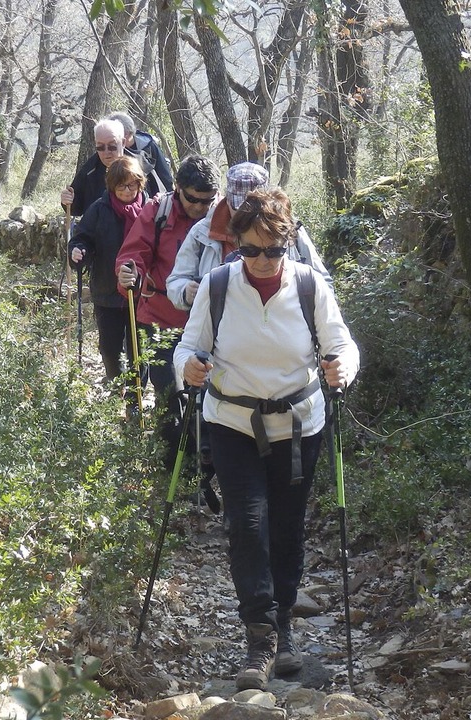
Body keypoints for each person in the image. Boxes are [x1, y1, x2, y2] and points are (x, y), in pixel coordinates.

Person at [174, 187, 360, 691]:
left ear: (288, 243)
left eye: (273, 250)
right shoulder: (217, 286)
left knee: (286, 528)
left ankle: (284, 626)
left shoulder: (309, 285)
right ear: (235, 244)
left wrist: (343, 367)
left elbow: (342, 343)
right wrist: (187, 368)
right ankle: (260, 638)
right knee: (247, 525)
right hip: (231, 423)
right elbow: (189, 346)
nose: (261, 260)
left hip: (299, 426)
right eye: (250, 250)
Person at [115, 155, 220, 428]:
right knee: (169, 397)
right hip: (160, 320)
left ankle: (202, 448)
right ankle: (171, 450)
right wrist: (128, 272)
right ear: (177, 188)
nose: (199, 207)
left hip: (210, 324)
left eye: (207, 201)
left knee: (210, 399)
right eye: (192, 199)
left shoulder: (224, 216)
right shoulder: (157, 211)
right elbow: (134, 252)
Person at [166, 161, 329, 313]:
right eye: (239, 208)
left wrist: (319, 317)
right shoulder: (201, 233)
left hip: (283, 322)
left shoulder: (290, 229)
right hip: (221, 329)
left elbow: (322, 281)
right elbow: (176, 280)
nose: (245, 216)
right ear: (228, 201)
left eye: (253, 210)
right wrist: (185, 292)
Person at [68, 156, 147, 382]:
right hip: (106, 290)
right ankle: (115, 388)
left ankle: (136, 395)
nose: (127, 191)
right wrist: (78, 251)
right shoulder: (99, 209)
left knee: (139, 349)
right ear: (111, 186)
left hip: (141, 293)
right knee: (109, 349)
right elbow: (82, 238)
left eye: (132, 185)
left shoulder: (150, 210)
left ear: (140, 183)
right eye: (121, 186)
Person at [60, 117, 127, 217]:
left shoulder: (138, 168)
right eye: (100, 147)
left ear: (123, 143)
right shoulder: (90, 169)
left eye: (112, 146)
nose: (106, 152)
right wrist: (67, 200)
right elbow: (76, 209)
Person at [108, 111, 174, 198]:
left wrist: (170, 197)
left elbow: (164, 174)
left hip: (153, 197)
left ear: (126, 134)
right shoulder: (109, 151)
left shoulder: (148, 145)